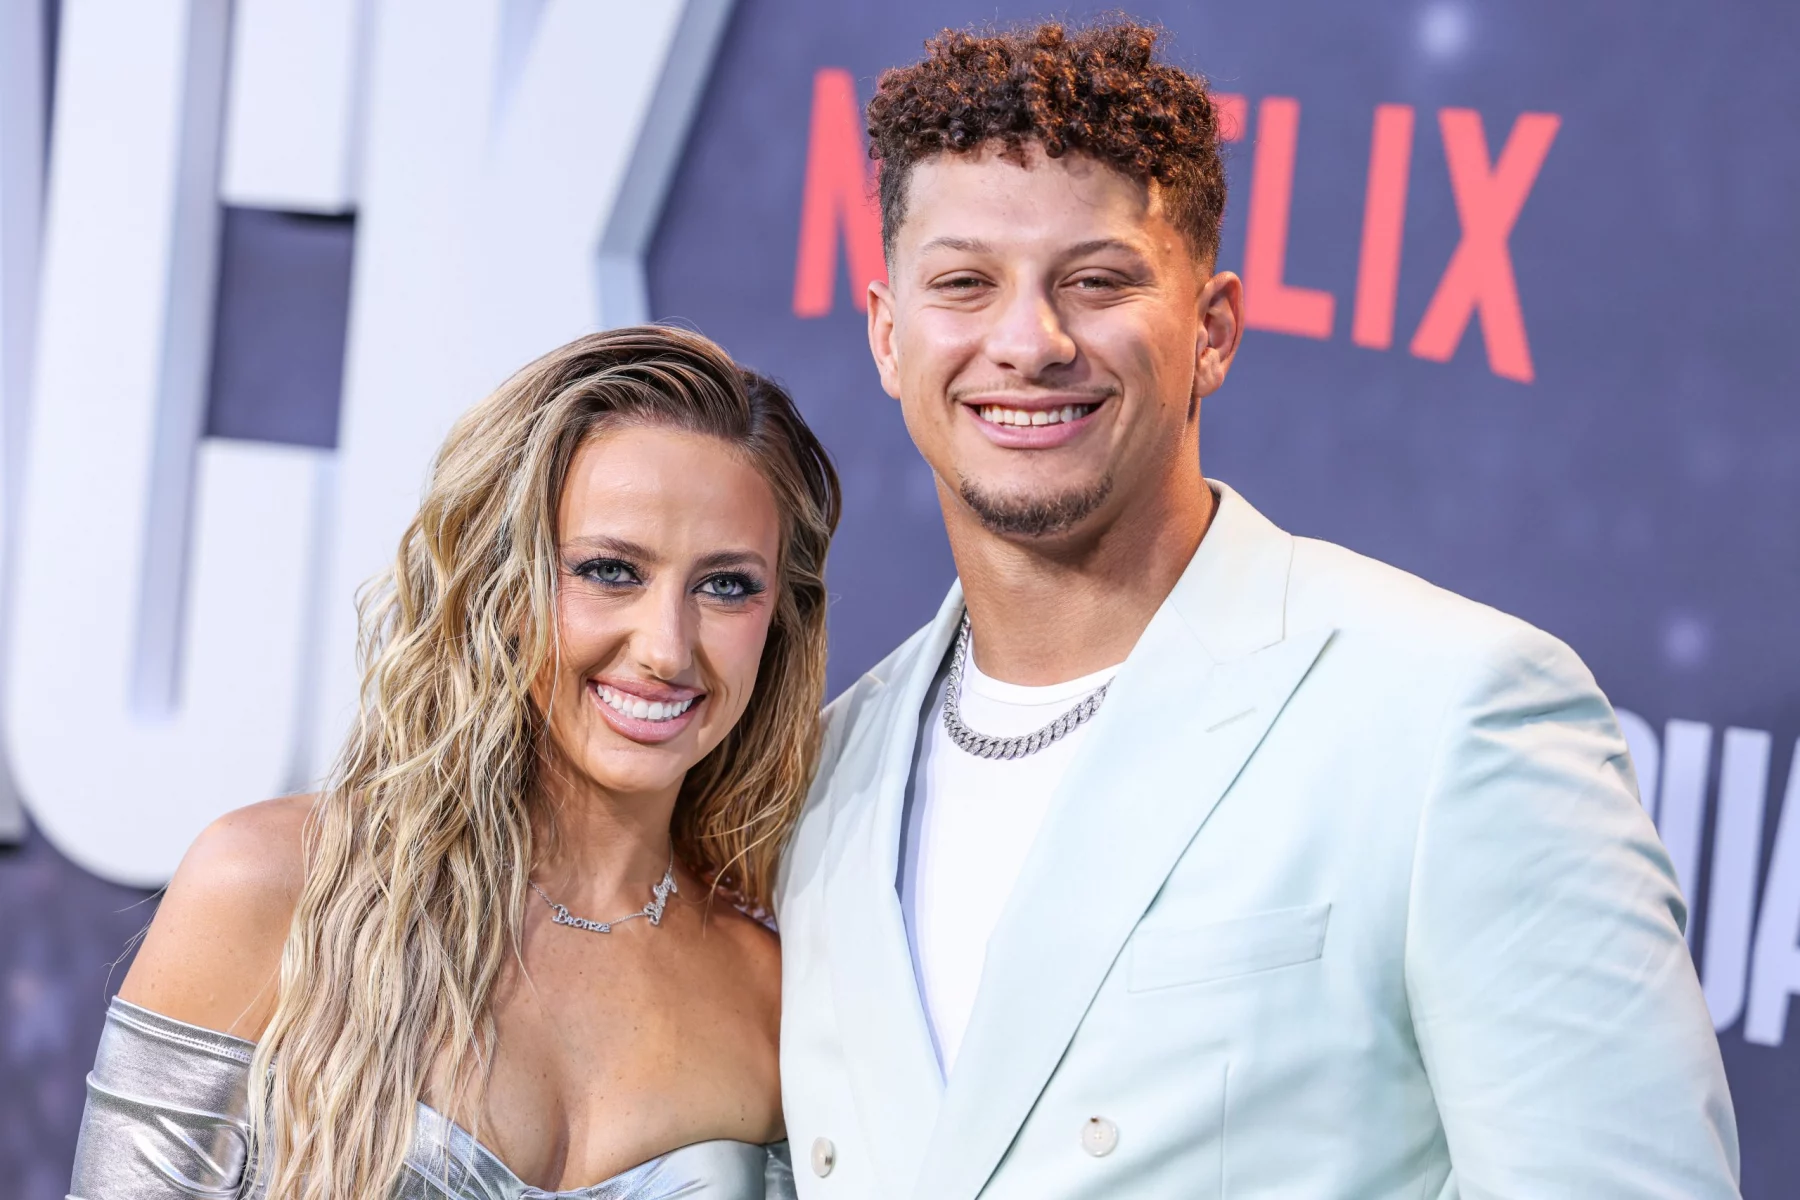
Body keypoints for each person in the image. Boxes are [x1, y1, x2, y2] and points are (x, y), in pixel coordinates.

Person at [775, 20, 1740, 1199]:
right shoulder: (821, 784)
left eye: (1097, 280)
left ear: (1214, 330)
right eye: (965, 283)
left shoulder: (1449, 716)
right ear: (887, 331)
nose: (1028, 342)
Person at [69, 327, 838, 1200]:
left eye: (726, 585)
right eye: (609, 571)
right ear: (499, 586)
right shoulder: (278, 887)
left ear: (780, 617)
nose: (666, 647)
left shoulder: (773, 994)